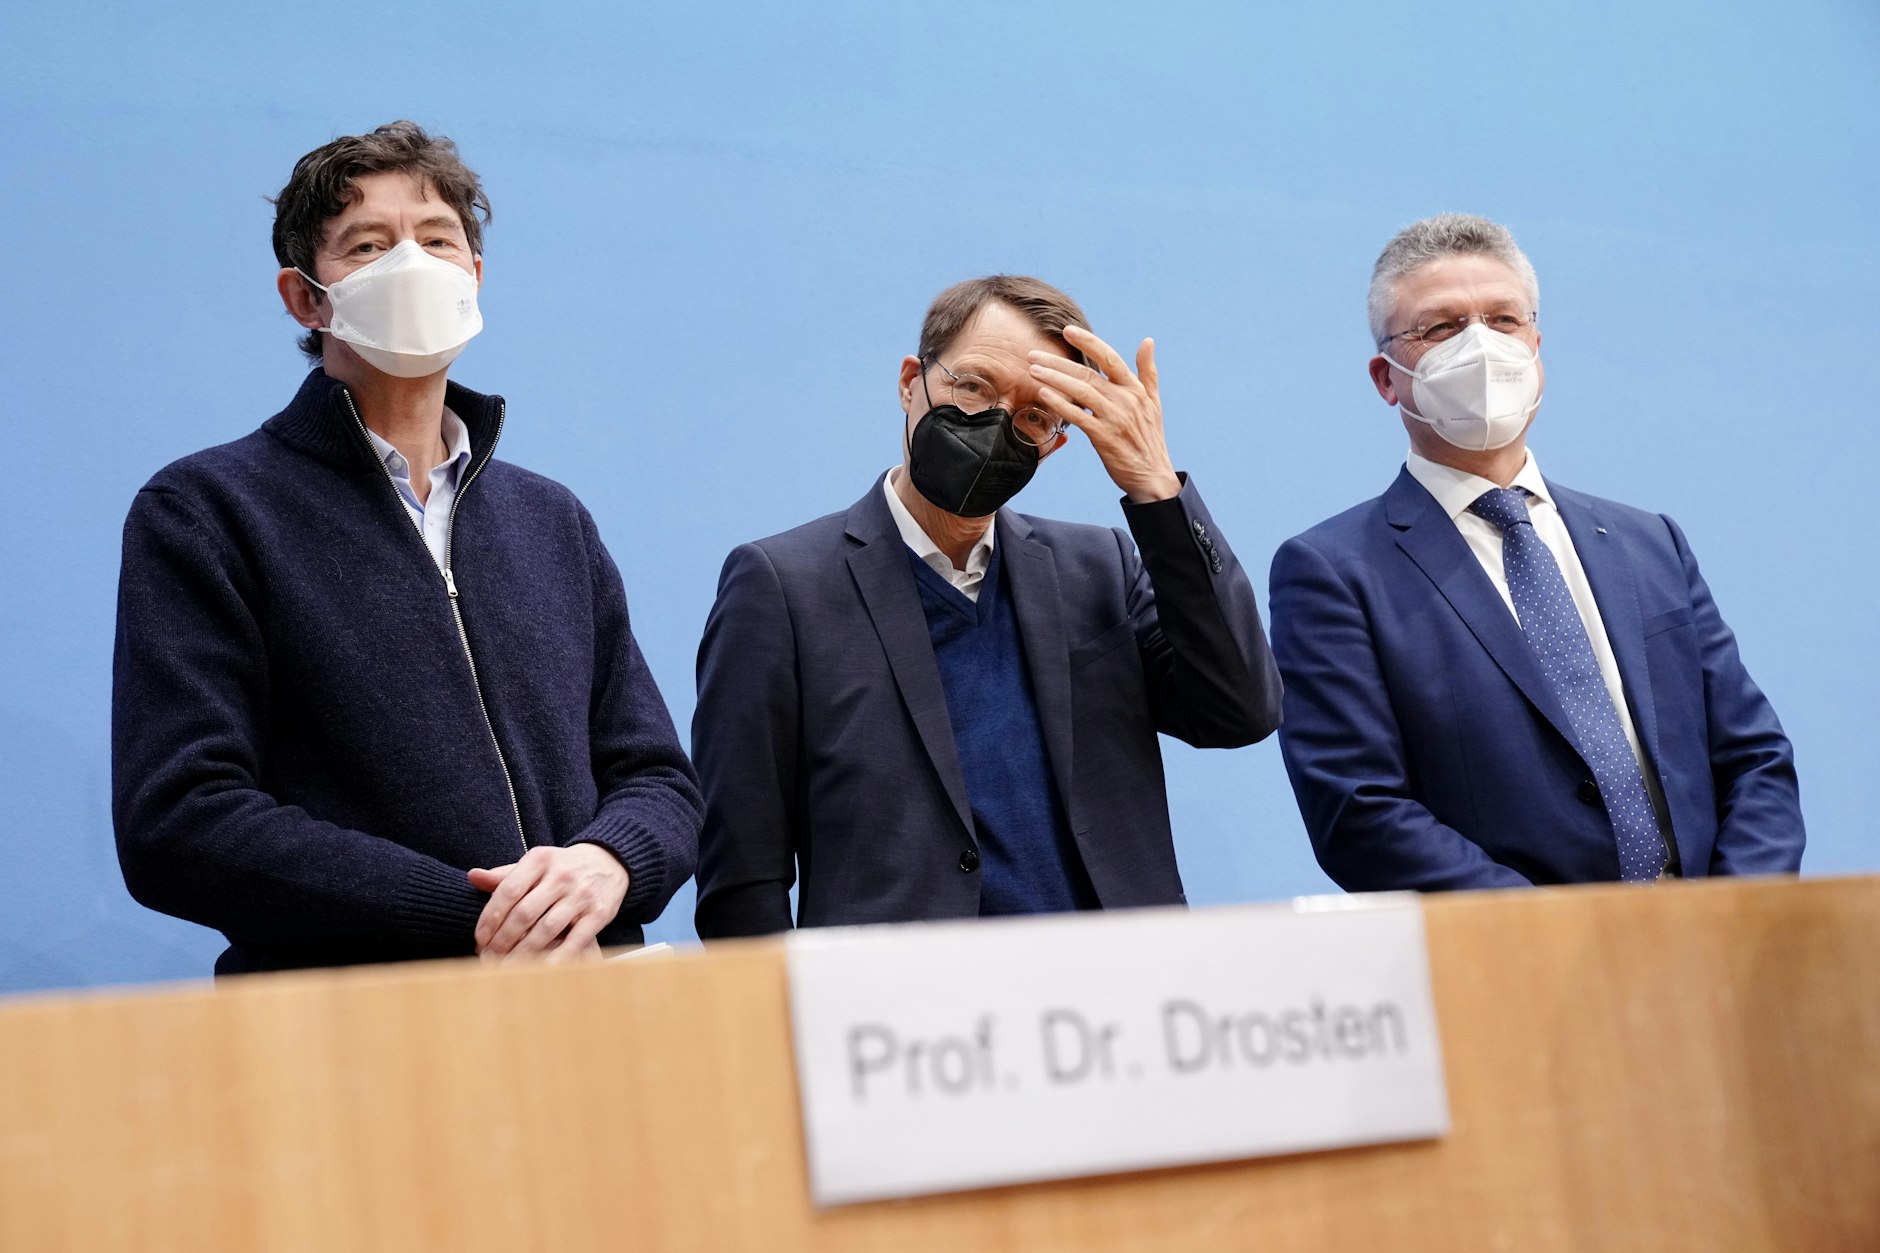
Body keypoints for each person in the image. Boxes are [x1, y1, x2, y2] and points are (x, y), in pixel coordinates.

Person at [112, 121, 702, 974]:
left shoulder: (551, 520)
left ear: (476, 277)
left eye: (436, 240)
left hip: (586, 1017)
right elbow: (182, 817)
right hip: (354, 1032)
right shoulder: (207, 511)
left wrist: (609, 863)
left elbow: (656, 779)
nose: (412, 266)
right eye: (367, 245)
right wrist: (475, 914)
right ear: (305, 298)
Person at [692, 275, 1282, 937]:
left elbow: (1241, 709)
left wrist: (1157, 493)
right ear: (911, 381)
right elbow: (742, 875)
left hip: (1119, 999)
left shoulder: (1100, 569)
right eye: (973, 386)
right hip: (898, 1021)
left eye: (1033, 414)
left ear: (1056, 441)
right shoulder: (781, 587)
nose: (996, 425)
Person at [1269, 213, 1804, 891]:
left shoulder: (1650, 544)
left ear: (1537, 346)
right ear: (1387, 376)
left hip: (1709, 949)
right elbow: (1359, 810)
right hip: (1517, 963)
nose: (1482, 346)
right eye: (1441, 327)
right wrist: (1557, 939)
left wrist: (1735, 916)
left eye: (1503, 320)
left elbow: (1753, 757)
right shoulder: (1334, 572)